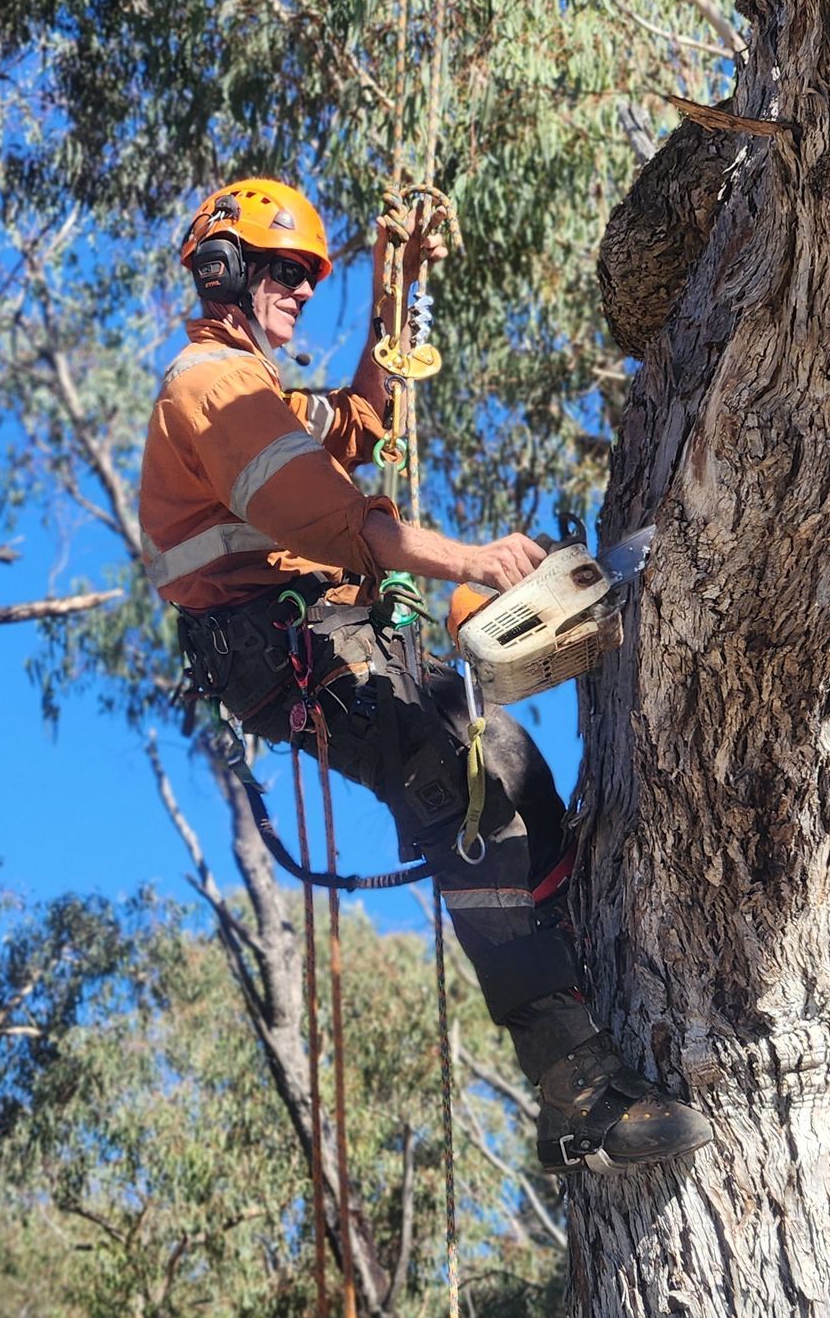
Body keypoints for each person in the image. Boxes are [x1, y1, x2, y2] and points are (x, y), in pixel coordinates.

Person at [138, 176, 712, 1173]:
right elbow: (320, 516)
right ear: (222, 267)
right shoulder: (209, 386)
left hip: (337, 634)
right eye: (283, 270)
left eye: (310, 275)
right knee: (463, 782)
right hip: (291, 651)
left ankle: (563, 952)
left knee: (518, 768)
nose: (300, 290)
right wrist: (468, 560)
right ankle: (574, 1088)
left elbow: (364, 415)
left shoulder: (260, 390)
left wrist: (393, 282)